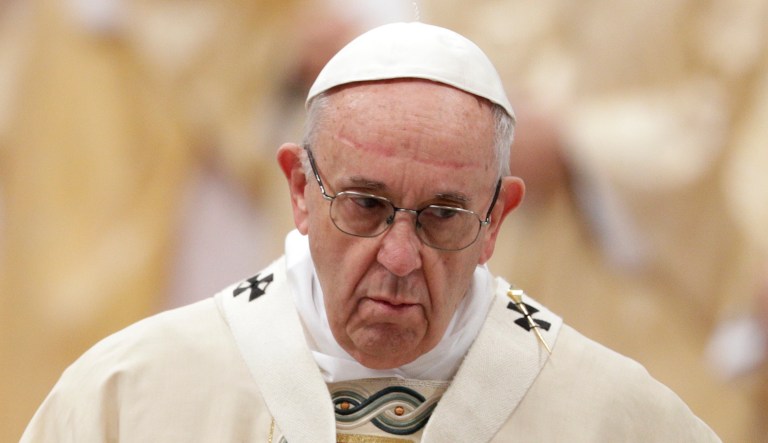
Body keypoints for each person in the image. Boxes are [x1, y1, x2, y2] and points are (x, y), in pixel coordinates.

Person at [20, 22, 719, 442]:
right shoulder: (132, 396)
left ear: (496, 219)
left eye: (444, 215)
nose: (400, 255)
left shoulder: (615, 418)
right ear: (299, 188)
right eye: (365, 204)